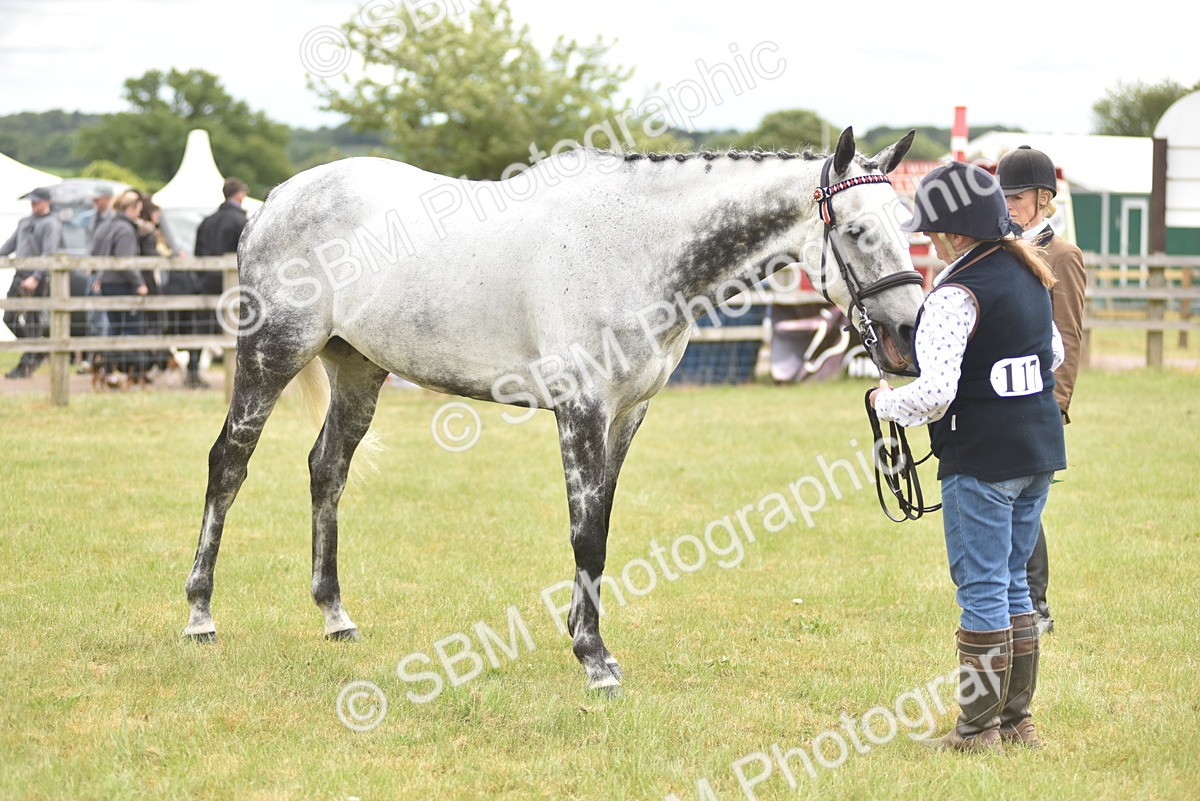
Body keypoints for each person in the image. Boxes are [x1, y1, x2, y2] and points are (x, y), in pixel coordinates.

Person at [871, 162, 1066, 750]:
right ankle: (1015, 722)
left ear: (955, 234)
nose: (929, 244)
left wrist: (885, 403)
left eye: (932, 234)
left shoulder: (956, 293)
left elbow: (935, 394)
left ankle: (977, 731)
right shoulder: (1029, 272)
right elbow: (1050, 355)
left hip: (981, 459)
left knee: (982, 588)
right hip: (1036, 452)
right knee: (1012, 585)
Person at [998, 145, 1086, 636]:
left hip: (1040, 397)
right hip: (1001, 394)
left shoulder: (1062, 255)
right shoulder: (1000, 246)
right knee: (1006, 497)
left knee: (1025, 504)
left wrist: (1058, 403)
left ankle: (1037, 604)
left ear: (1043, 197)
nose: (1008, 203)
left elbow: (1069, 334)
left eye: (1018, 195)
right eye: (1004, 195)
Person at [174, 176, 248, 389]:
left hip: (206, 283)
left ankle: (192, 371)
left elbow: (197, 254)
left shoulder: (206, 222)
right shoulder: (241, 221)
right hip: (234, 285)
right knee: (243, 327)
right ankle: (239, 376)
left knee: (201, 327)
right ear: (240, 194)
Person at [1, 186, 63, 378]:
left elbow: (48, 253)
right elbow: (10, 245)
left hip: (36, 279)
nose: (33, 204)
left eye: (37, 201)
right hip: (19, 275)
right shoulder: (25, 221)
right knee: (9, 318)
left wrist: (36, 277)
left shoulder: (51, 224)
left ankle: (26, 365)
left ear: (47, 202)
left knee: (32, 322)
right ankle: (38, 349)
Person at [90, 190, 150, 381]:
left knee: (114, 327)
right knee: (129, 328)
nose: (138, 215)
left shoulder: (107, 225)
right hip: (122, 284)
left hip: (108, 282)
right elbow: (125, 261)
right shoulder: (125, 229)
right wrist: (139, 283)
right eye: (137, 210)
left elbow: (99, 253)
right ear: (130, 208)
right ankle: (125, 371)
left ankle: (108, 370)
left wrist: (99, 275)